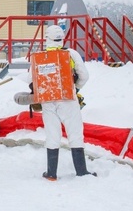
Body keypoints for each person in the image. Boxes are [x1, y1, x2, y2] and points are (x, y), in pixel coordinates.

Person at [29, 25, 93, 181]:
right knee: (75, 133)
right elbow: (84, 75)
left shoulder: (39, 56)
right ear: (62, 38)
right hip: (67, 99)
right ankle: (81, 171)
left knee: (52, 135)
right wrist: (75, 88)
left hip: (48, 100)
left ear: (46, 38)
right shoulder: (71, 54)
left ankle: (51, 173)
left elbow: (34, 81)